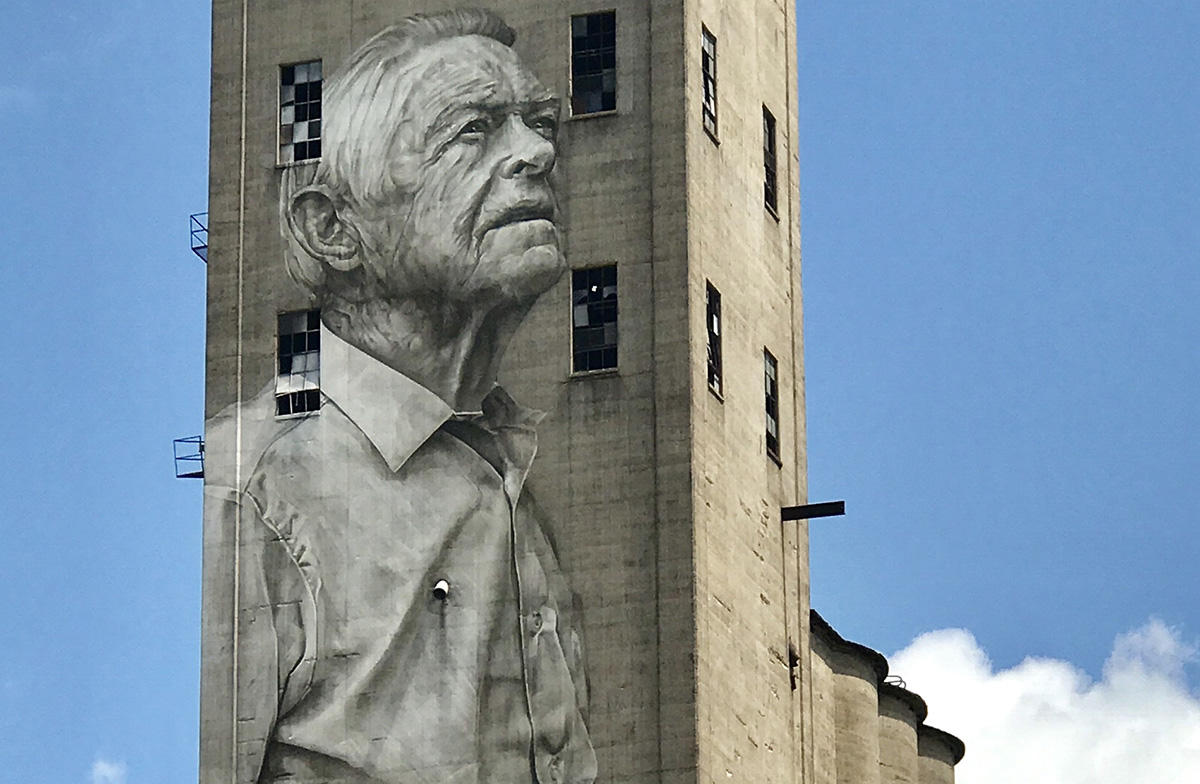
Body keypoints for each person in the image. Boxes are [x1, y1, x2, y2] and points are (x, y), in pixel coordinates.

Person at [205, 10, 596, 784]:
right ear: (334, 231)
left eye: (540, 121)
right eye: (474, 130)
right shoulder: (246, 494)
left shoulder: (503, 477)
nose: (539, 152)